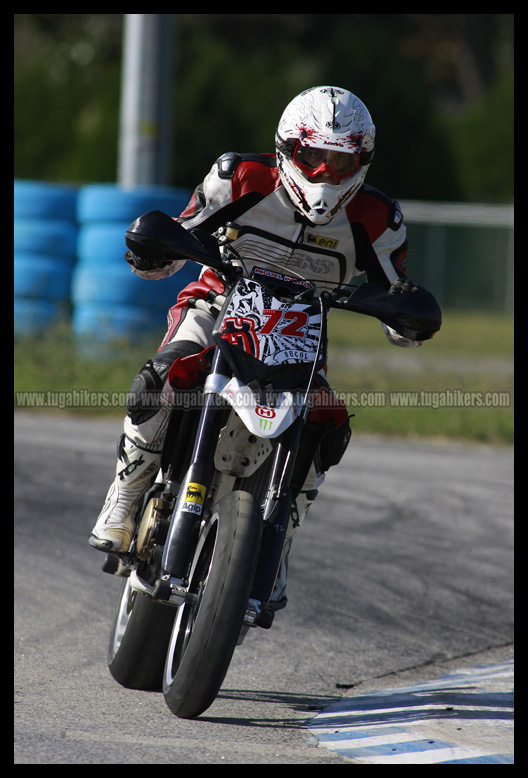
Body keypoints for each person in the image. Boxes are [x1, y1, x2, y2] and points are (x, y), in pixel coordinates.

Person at [89, 85, 437, 609]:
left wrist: (405, 320)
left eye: (341, 162)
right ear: (287, 149)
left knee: (329, 425)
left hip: (301, 335)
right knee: (160, 377)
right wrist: (153, 252)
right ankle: (126, 495)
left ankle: (280, 542)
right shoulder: (240, 178)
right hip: (217, 307)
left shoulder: (378, 219)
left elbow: (397, 299)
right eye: (313, 157)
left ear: (362, 162)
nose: (325, 174)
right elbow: (181, 237)